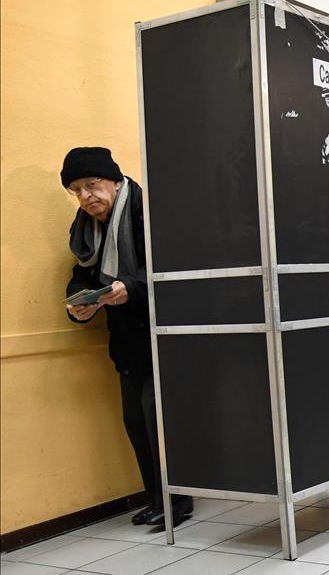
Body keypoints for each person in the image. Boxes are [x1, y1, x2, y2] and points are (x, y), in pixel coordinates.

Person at [61, 147, 192, 528]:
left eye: (92, 185)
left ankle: (178, 499)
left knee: (158, 415)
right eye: (76, 190)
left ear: (115, 182)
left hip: (163, 330)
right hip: (126, 339)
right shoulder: (86, 229)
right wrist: (78, 303)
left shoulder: (147, 212)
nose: (86, 197)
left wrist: (130, 288)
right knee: (135, 419)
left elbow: (172, 265)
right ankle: (157, 497)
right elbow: (83, 275)